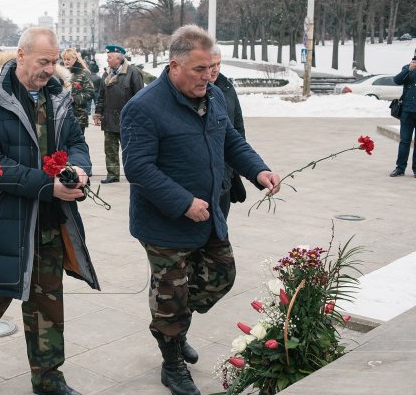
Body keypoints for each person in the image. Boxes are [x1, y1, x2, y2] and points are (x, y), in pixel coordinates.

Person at [120, 25, 281, 395]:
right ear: (174, 65)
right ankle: (172, 360)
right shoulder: (143, 108)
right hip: (164, 225)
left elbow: (230, 140)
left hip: (210, 217)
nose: (208, 76)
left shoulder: (213, 96)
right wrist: (183, 202)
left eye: (212, 68)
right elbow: (138, 168)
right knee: (171, 295)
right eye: (199, 69)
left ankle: (172, 328)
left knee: (221, 276)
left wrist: (259, 170)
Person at [0, 27, 99, 395]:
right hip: (3, 219)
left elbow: (76, 141)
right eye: (42, 61)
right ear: (22, 55)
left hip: (49, 219)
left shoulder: (58, 96)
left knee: (48, 302)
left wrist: (78, 167)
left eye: (54, 61)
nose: (49, 69)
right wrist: (48, 186)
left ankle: (49, 379)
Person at [92, 44, 144, 183]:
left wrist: (138, 118)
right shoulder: (105, 74)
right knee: (110, 149)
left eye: (109, 57)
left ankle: (135, 174)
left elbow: (140, 97)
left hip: (127, 119)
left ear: (118, 58)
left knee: (130, 149)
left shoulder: (133, 72)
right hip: (109, 118)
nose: (107, 60)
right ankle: (112, 174)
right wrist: (98, 114)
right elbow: (101, 96)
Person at [209, 46, 247, 218]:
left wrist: (238, 166)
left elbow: (238, 127)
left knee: (221, 224)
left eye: (219, 64)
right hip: (203, 175)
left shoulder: (226, 87)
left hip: (225, 171)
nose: (215, 69)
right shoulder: (190, 90)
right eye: (211, 64)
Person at [391, 45, 416, 178]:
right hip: (407, 110)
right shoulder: (407, 67)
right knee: (404, 141)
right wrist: (408, 69)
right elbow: (396, 80)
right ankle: (400, 168)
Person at [61, 47, 94, 134]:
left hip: (79, 116)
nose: (66, 61)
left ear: (75, 59)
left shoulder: (83, 73)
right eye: (64, 59)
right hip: (62, 115)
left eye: (68, 59)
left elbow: (90, 92)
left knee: (78, 143)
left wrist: (74, 98)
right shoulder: (60, 73)